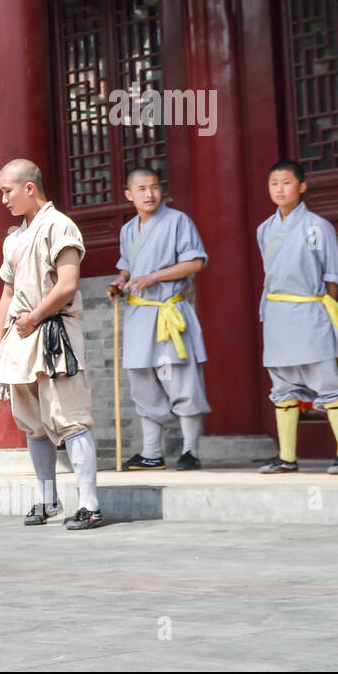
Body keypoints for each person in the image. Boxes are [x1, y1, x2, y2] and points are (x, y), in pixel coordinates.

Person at [0, 159, 102, 530]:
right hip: (19, 337)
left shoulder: (59, 225)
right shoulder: (15, 237)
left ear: (29, 188)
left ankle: (89, 504)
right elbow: (6, 293)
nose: (3, 199)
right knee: (33, 424)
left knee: (70, 419)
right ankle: (48, 498)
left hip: (53, 332)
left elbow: (67, 284)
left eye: (8, 190)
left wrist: (34, 317)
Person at [107, 168, 211, 470]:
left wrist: (154, 276)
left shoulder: (178, 221)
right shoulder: (128, 230)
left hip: (169, 312)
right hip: (140, 315)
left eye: (154, 187)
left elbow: (195, 262)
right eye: (141, 189)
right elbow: (128, 267)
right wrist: (120, 282)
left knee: (180, 380)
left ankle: (190, 450)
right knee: (144, 384)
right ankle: (151, 452)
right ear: (129, 195)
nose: (149, 194)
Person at [257, 161, 338, 474]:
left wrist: (325, 308)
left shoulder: (317, 226)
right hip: (276, 314)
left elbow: (331, 275)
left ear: (302, 186)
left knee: (326, 377)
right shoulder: (264, 229)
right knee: (283, 385)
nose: (279, 189)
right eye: (274, 183)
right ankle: (287, 457)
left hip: (310, 310)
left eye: (286, 182)